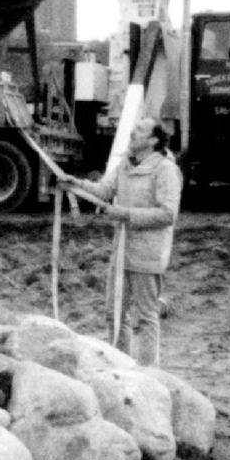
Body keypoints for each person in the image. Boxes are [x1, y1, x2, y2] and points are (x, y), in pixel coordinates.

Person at [68, 116, 183, 367]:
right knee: (114, 314)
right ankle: (121, 366)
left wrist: (126, 215)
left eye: (139, 130)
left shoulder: (165, 169)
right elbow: (105, 190)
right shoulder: (124, 164)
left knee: (145, 317)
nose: (132, 132)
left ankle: (148, 374)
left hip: (148, 254)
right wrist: (76, 184)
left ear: (153, 140)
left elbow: (167, 214)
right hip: (121, 251)